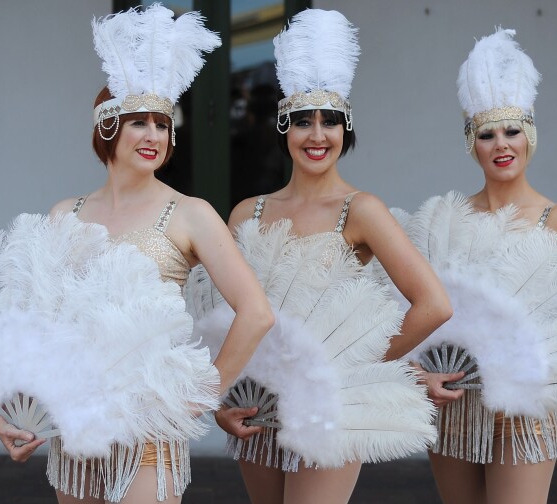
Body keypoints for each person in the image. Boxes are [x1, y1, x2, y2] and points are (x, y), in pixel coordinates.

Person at [0, 5, 273, 503]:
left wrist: (198, 398)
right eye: (139, 122)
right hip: (75, 426)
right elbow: (41, 324)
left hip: (148, 431)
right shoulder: (65, 214)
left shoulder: (189, 214)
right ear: (107, 127)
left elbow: (255, 312)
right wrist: (14, 405)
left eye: (163, 125)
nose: (154, 136)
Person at [192, 10, 453, 504]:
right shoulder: (248, 212)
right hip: (256, 406)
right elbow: (221, 313)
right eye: (303, 121)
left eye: (330, 121)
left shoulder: (362, 209)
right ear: (282, 128)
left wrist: (359, 366)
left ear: (345, 127)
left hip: (327, 406)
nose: (317, 135)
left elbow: (433, 304)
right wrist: (220, 400)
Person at [403, 28, 557, 504]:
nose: (502, 144)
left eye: (513, 130)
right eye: (487, 133)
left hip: (524, 412)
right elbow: (414, 304)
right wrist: (418, 372)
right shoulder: (446, 219)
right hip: (454, 410)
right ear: (471, 143)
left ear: (530, 135)